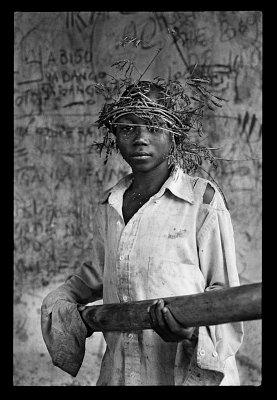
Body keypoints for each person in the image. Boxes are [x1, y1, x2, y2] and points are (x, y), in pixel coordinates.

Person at [41, 80, 244, 386]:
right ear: (115, 137)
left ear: (173, 134)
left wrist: (190, 327)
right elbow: (103, 271)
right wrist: (60, 303)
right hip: (125, 372)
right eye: (128, 128)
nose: (140, 139)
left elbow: (224, 292)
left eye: (154, 127)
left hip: (184, 370)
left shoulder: (201, 201)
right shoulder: (109, 205)